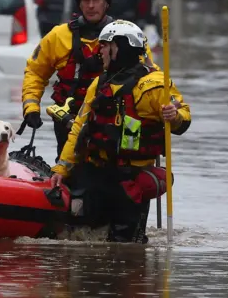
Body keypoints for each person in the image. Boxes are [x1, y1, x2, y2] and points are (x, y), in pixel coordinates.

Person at [49, 19, 191, 243]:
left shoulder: (153, 86)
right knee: (76, 228)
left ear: (120, 47)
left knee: (125, 243)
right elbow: (78, 128)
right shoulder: (99, 85)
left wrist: (174, 116)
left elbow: (182, 116)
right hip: (96, 170)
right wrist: (61, 169)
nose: (100, 51)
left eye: (105, 46)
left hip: (129, 176)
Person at [20, 0, 160, 161]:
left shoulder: (130, 35)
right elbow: (35, 73)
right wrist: (31, 107)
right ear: (79, 2)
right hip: (69, 119)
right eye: (86, 0)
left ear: (107, 2)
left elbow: (151, 75)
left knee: (125, 166)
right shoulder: (58, 36)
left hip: (117, 121)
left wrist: (165, 109)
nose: (91, 5)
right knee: (71, 171)